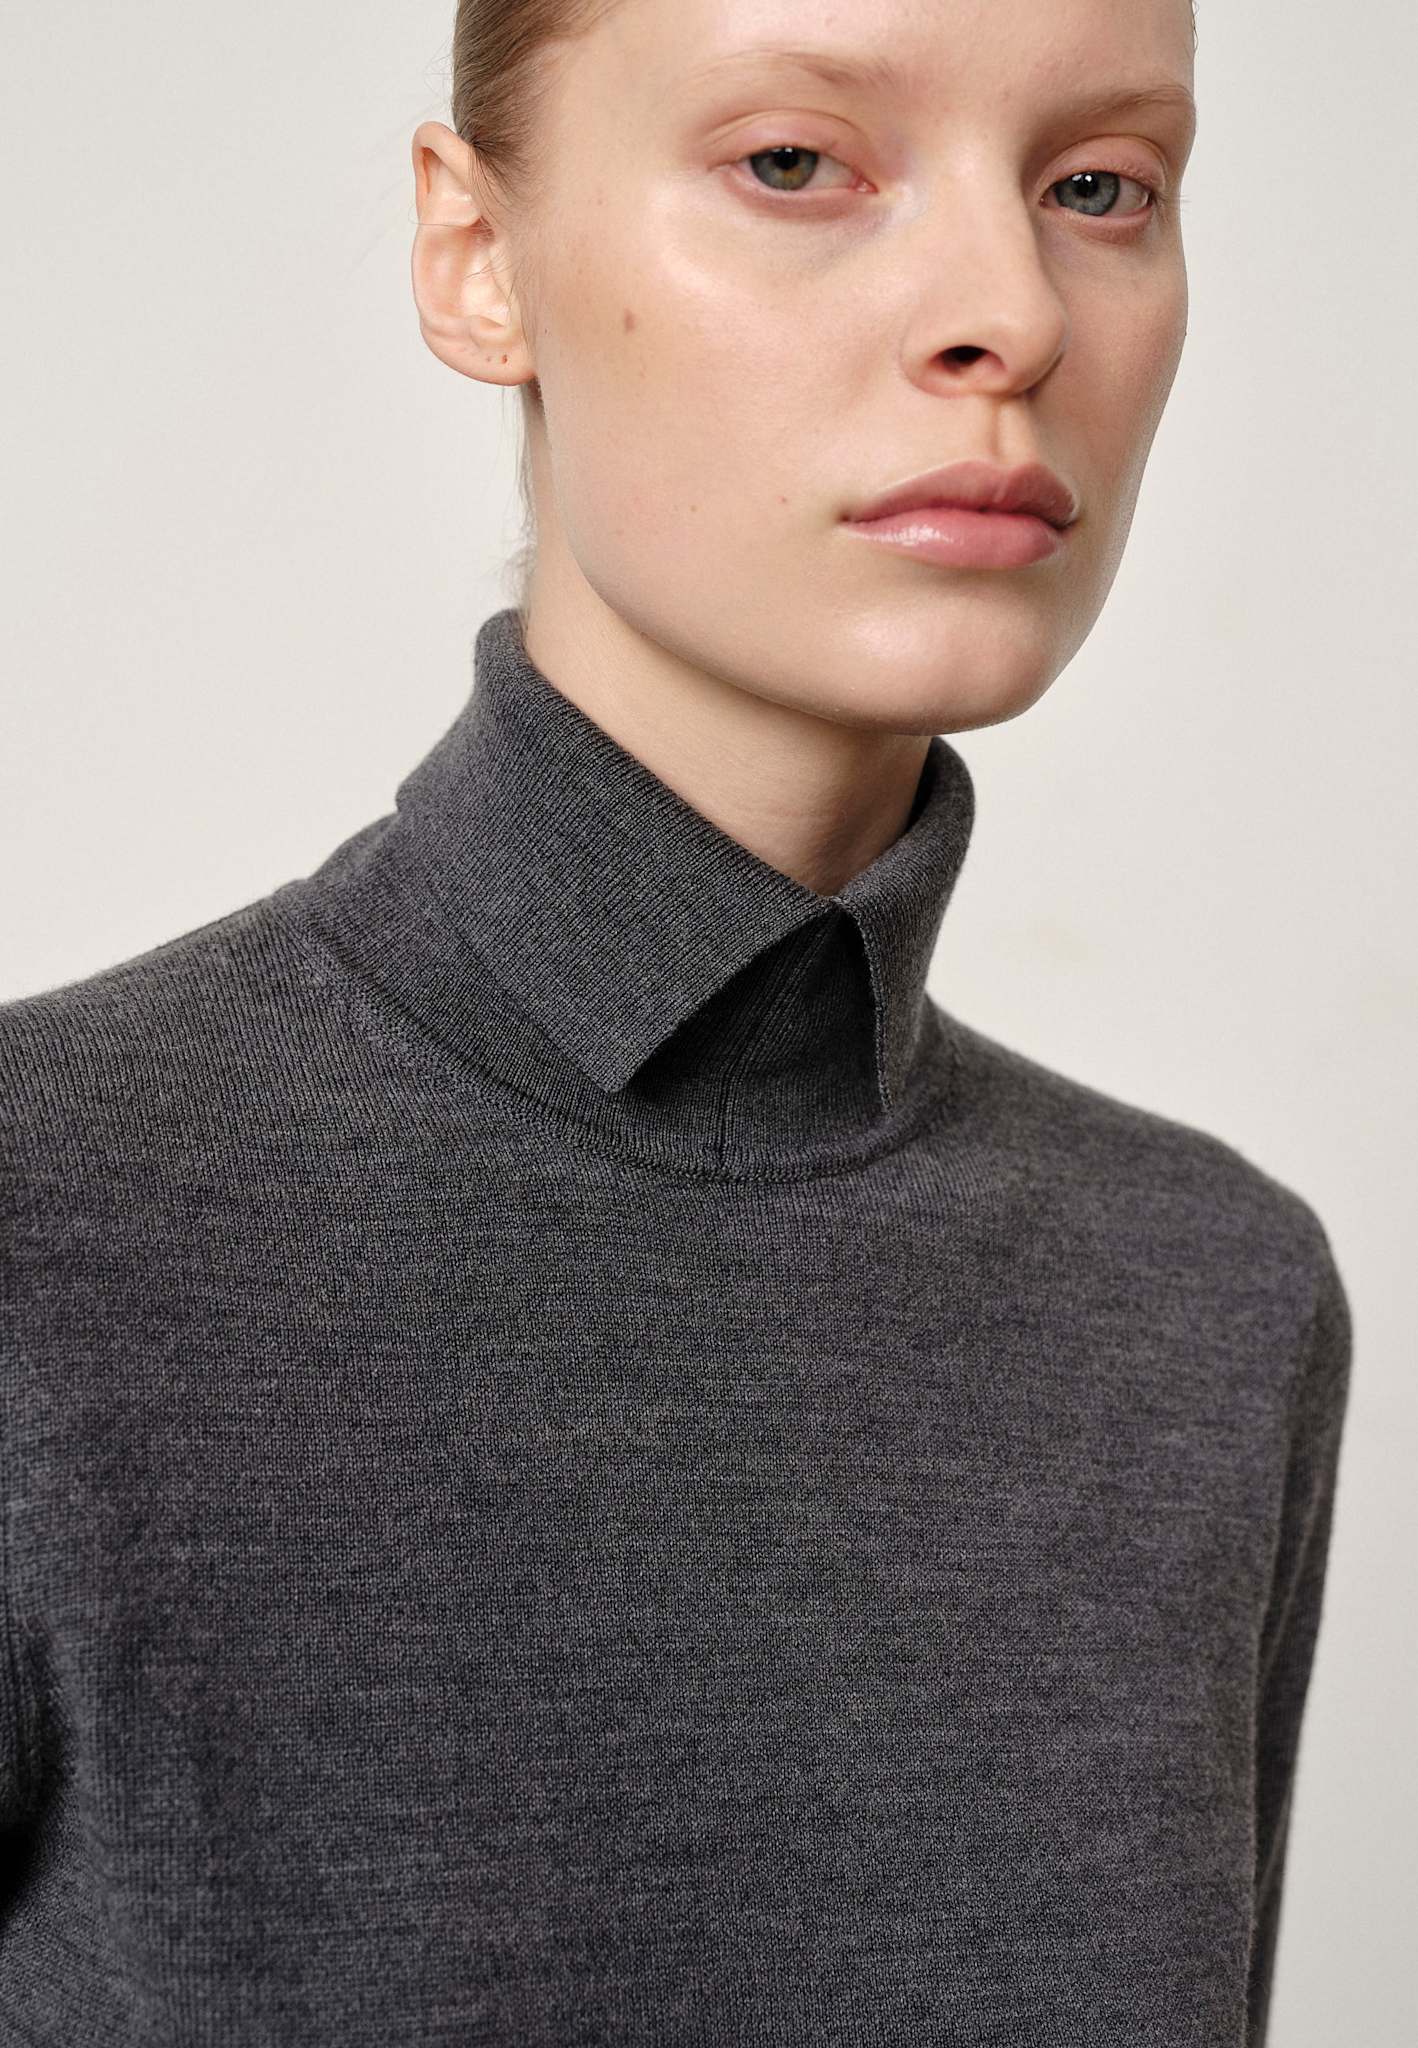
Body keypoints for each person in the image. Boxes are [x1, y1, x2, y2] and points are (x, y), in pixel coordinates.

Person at [0, 0, 1352, 2042]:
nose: (1008, 314)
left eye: (1099, 186)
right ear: (479, 256)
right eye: (794, 162)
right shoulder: (44, 1232)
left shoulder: (1205, 1300)